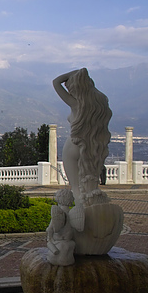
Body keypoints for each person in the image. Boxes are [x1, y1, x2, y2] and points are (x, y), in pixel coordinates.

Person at [53, 68, 112, 230]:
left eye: (71, 87)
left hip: (73, 146)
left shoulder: (76, 103)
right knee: (89, 186)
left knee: (77, 188)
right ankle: (94, 220)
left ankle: (82, 224)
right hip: (90, 148)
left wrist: (77, 72)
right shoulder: (98, 104)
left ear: (77, 87)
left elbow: (56, 82)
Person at [46, 189, 76, 266]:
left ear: (59, 198)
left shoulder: (58, 213)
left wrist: (50, 238)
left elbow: (50, 229)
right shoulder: (73, 213)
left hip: (57, 244)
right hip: (68, 243)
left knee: (49, 245)